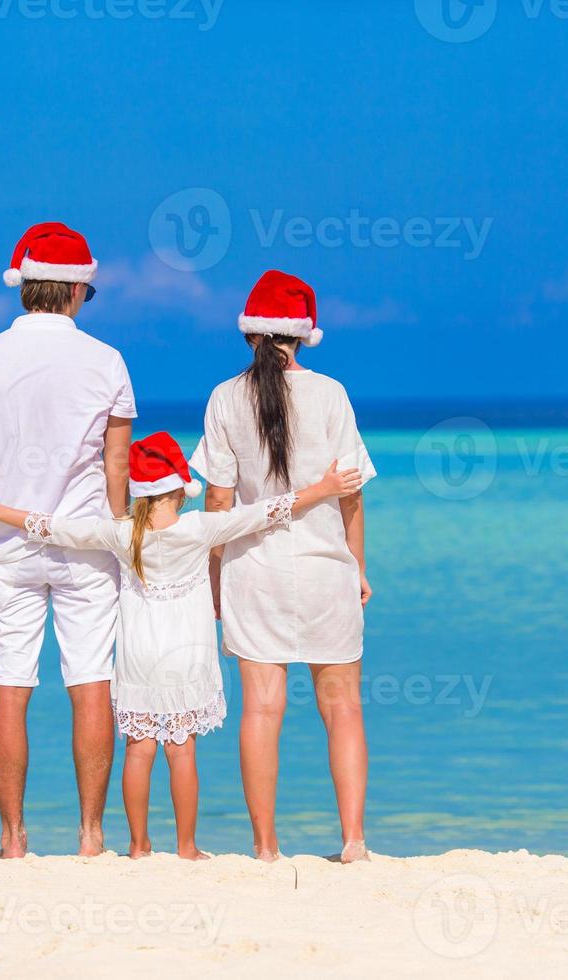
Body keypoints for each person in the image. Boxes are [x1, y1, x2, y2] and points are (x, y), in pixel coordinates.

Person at [0, 432, 364, 860]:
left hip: (137, 652)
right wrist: (323, 490)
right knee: (182, 748)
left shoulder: (120, 534)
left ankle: (137, 845)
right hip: (185, 652)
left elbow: (54, 528)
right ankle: (186, 847)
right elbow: (267, 512)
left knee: (139, 747)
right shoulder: (200, 528)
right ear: (178, 488)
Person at [0, 221, 135, 859]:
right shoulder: (106, 361)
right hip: (86, 543)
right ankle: (90, 835)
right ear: (78, 292)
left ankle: (13, 837)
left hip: (5, 546)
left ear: (23, 287)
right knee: (90, 681)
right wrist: (123, 539)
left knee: (8, 684)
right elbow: (116, 468)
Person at [190, 270, 377, 863]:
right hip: (326, 568)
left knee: (263, 709)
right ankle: (352, 843)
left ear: (250, 335)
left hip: (253, 570)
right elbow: (350, 493)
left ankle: (265, 847)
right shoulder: (331, 395)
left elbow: (217, 503)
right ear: (302, 335)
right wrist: (360, 566)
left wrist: (213, 579)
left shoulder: (224, 398)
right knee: (342, 706)